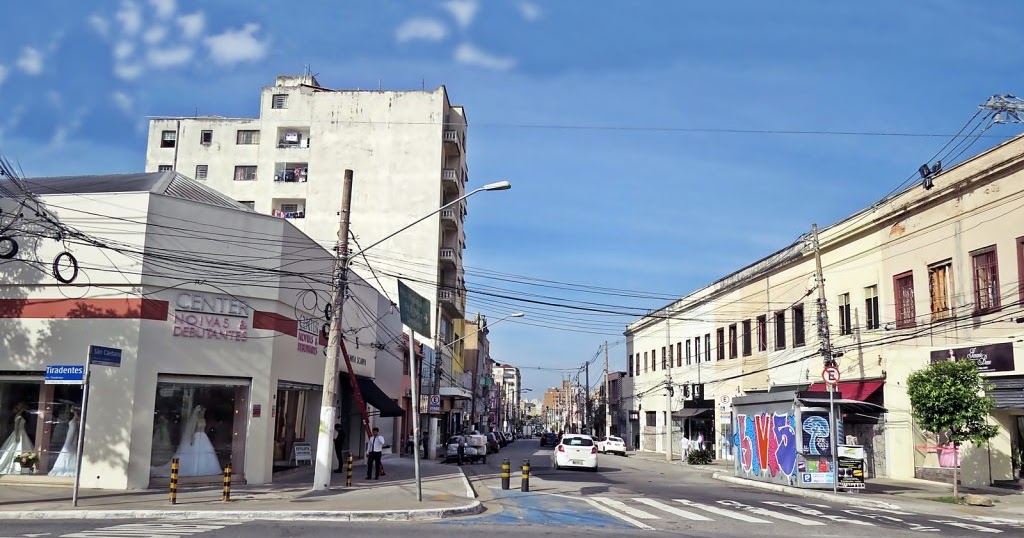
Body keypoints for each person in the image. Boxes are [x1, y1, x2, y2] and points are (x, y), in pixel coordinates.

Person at [0, 402, 34, 474]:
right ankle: (15, 466)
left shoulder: (21, 415)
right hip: (18, 433)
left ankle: (25, 467)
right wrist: (17, 436)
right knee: (15, 449)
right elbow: (16, 427)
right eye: (24, 408)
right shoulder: (18, 415)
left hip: (22, 432)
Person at [49, 408, 79, 477]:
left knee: (69, 451)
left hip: (72, 437)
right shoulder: (74, 420)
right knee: (67, 451)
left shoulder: (75, 420)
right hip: (70, 436)